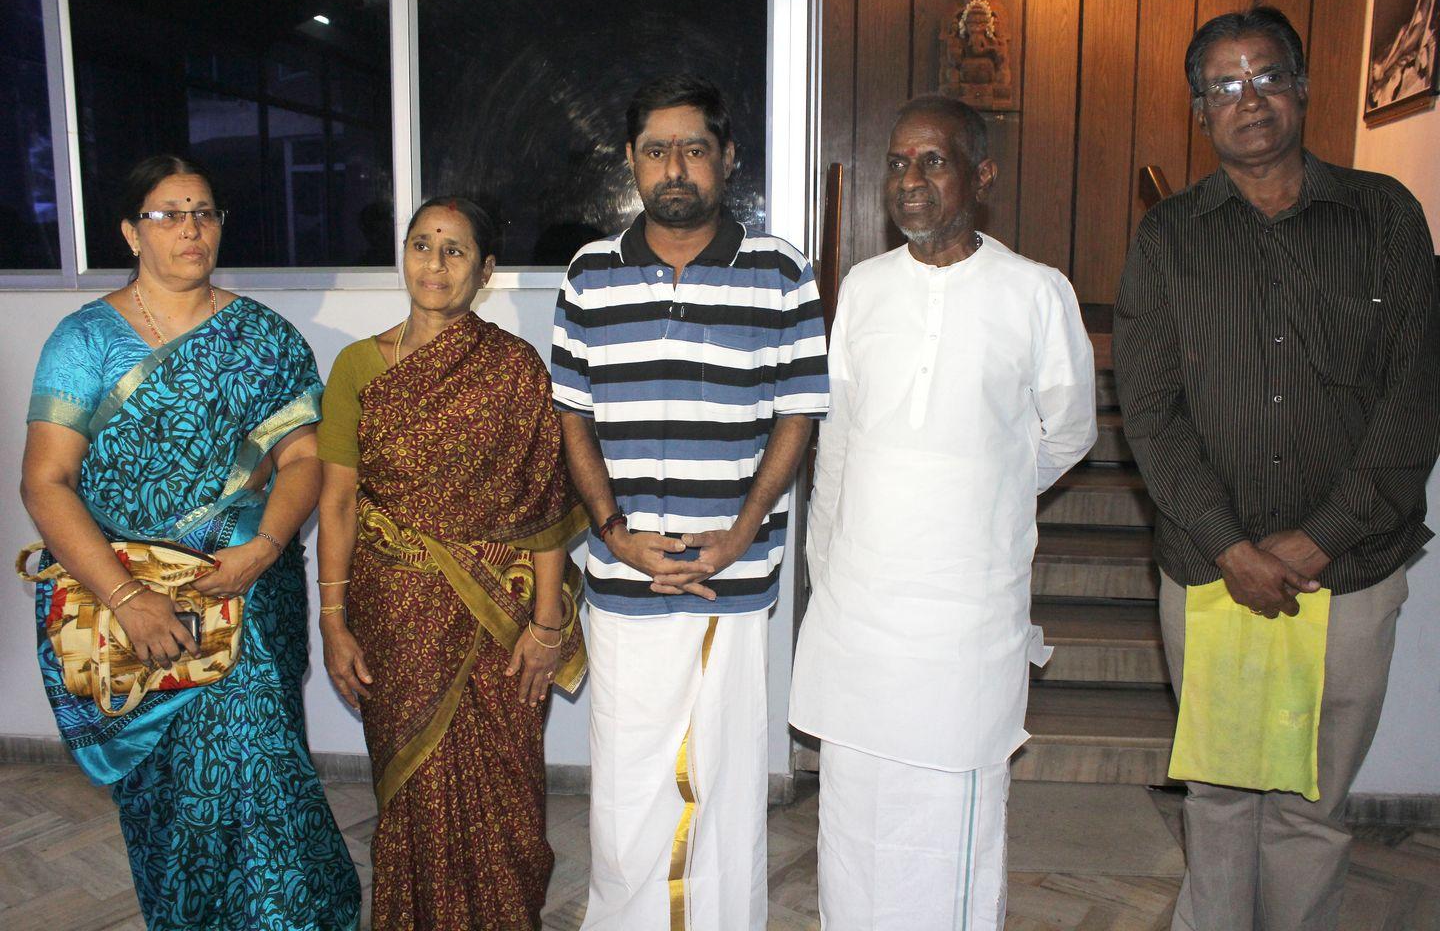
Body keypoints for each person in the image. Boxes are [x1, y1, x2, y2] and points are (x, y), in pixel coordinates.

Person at [1113, 6, 1440, 931]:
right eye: (1224, 85)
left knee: (1312, 804)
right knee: (1219, 801)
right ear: (1199, 112)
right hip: (1212, 572)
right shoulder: (1169, 238)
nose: (1247, 99)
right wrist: (1233, 546)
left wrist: (1318, 539)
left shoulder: (1385, 217)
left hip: (1350, 572)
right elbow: (1151, 413)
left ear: (1302, 87)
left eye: (1265, 76)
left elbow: (1415, 396)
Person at [19, 155, 359, 928]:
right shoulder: (84, 341)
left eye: (204, 212)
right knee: (172, 802)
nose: (191, 228)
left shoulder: (263, 338)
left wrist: (265, 547)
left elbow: (304, 458)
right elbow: (46, 482)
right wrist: (128, 598)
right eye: (169, 214)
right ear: (130, 232)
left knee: (268, 781)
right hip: (128, 606)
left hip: (245, 594)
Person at [789, 95, 1097, 930]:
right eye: (897, 162)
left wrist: (988, 491)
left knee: (950, 813)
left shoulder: (1036, 292)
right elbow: (839, 438)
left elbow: (1071, 429)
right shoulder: (864, 288)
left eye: (933, 161)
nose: (909, 180)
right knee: (855, 816)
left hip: (965, 613)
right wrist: (827, 567)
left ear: (981, 175)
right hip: (862, 607)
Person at [551, 73, 829, 929]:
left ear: (728, 157)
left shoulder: (781, 272)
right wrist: (614, 533)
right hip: (623, 577)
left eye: (694, 149)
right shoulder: (591, 274)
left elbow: (797, 414)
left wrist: (740, 534)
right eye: (657, 150)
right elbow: (572, 417)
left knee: (726, 781)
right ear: (632, 161)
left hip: (731, 577)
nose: (675, 167)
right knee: (627, 785)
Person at [316, 195, 586, 930]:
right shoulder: (357, 366)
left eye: (455, 250)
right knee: (409, 786)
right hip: (392, 616)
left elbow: (544, 508)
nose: (435, 263)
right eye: (421, 245)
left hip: (499, 621)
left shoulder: (514, 369)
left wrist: (548, 625)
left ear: (486, 270)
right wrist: (333, 621)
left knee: (506, 783)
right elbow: (337, 502)